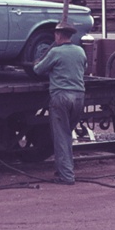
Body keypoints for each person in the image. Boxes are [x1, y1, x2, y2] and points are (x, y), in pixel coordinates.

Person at [32, 21, 86, 185]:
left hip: (61, 96)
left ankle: (67, 176)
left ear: (58, 35)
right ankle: (64, 169)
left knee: (62, 137)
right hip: (79, 97)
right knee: (66, 135)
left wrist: (37, 61)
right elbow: (84, 66)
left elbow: (38, 70)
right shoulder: (80, 51)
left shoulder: (55, 52)